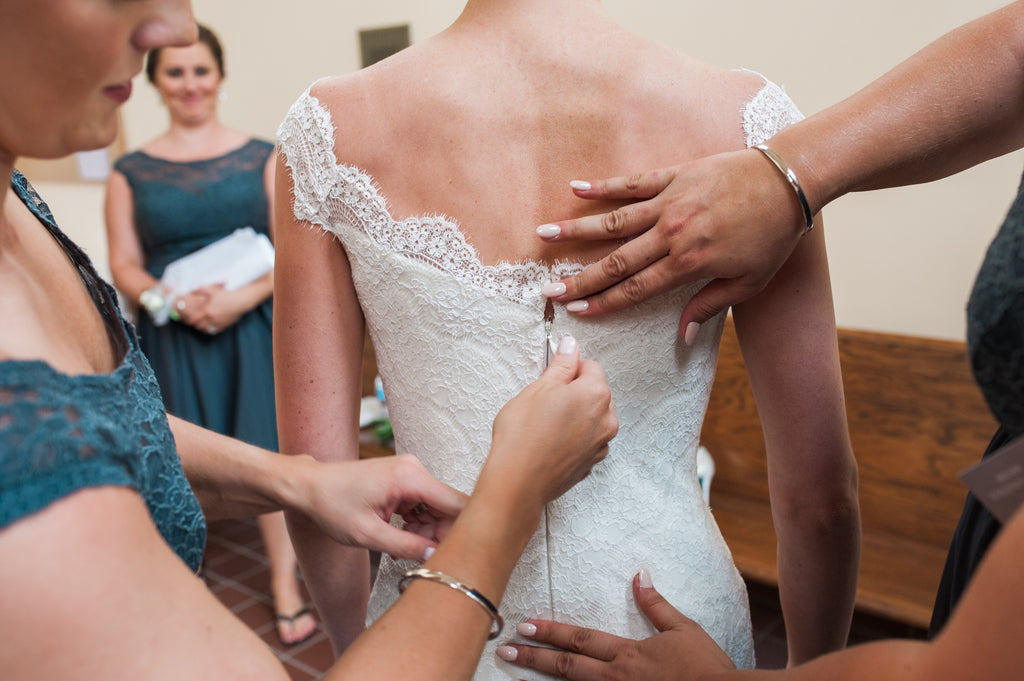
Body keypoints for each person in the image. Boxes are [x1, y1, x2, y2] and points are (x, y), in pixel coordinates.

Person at [0, 1, 618, 679]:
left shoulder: (18, 199)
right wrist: (509, 498)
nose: (172, 29)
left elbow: (102, 428)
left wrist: (299, 480)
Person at [274, 0, 860, 673]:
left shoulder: (329, 132)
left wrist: (367, 652)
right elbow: (820, 496)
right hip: (674, 624)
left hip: (438, 627)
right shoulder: (745, 122)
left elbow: (318, 481)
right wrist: (814, 670)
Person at [536, 0, 1024, 636]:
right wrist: (789, 173)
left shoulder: (359, 118)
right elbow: (818, 498)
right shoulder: (735, 118)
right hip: (999, 509)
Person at [103, 24, 313, 644]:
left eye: (200, 70)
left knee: (263, 449)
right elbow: (123, 264)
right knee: (176, 460)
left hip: (252, 327)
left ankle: (284, 583)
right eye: (175, 72)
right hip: (174, 334)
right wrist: (167, 301)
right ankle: (183, 584)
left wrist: (239, 300)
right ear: (155, 81)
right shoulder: (129, 171)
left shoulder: (263, 156)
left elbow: (291, 249)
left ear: (218, 76)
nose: (190, 84)